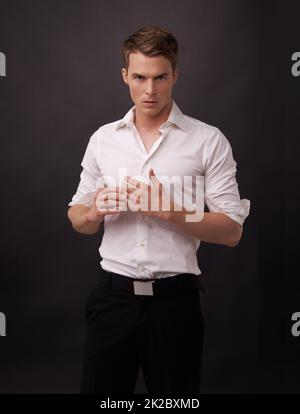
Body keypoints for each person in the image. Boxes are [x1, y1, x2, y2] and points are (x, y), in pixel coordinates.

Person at [67, 26, 250, 394]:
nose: (149, 90)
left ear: (175, 75)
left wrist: (171, 211)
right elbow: (78, 219)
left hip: (175, 306)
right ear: (125, 76)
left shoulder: (208, 141)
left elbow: (231, 231)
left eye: (159, 77)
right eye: (139, 77)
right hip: (111, 301)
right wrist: (92, 213)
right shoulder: (102, 140)